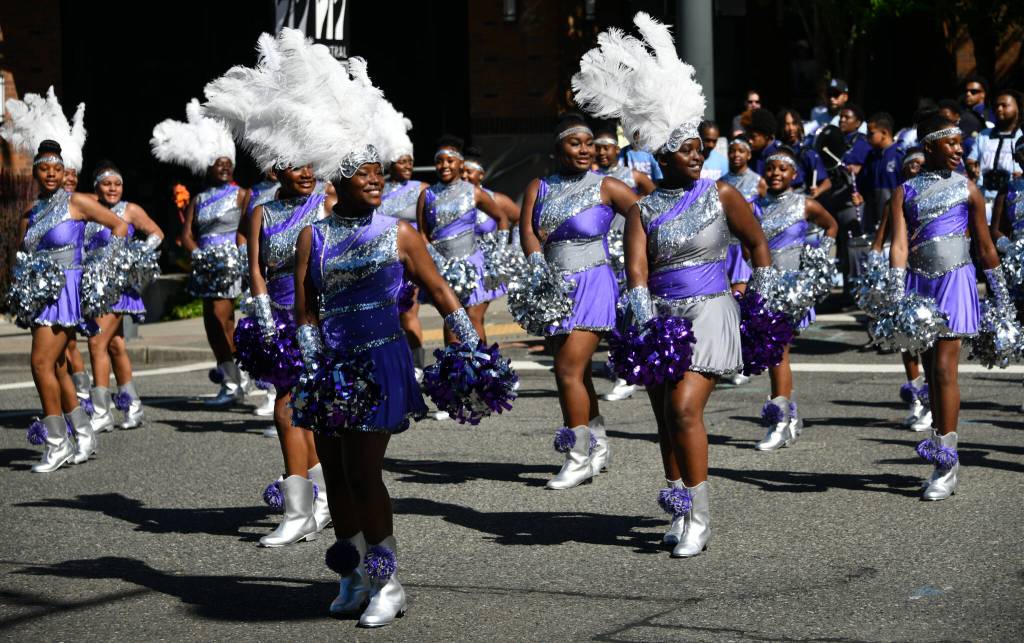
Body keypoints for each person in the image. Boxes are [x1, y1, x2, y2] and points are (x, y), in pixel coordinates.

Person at [573, 12, 776, 557]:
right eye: (685, 148)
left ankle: (702, 514)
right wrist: (639, 312)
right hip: (662, 316)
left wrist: (759, 296)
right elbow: (635, 269)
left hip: (712, 309)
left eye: (699, 147)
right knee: (665, 415)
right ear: (662, 152)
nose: (696, 154)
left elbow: (758, 246)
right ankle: (679, 506)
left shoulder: (722, 195)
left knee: (686, 408)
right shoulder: (643, 207)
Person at [888, 114, 1009, 500]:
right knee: (929, 370)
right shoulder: (904, 191)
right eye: (951, 143)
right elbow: (900, 244)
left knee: (943, 369)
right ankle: (941, 452)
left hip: (956, 280)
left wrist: (1003, 299)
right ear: (929, 145)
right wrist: (894, 288)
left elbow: (986, 247)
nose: (959, 150)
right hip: (919, 283)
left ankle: (947, 461)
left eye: (961, 143)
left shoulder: (969, 189)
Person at [518, 112, 639, 489]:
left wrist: (635, 264)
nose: (585, 150)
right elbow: (526, 231)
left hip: (593, 284)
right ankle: (597, 445)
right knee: (579, 372)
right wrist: (539, 264)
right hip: (554, 289)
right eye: (576, 143)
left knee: (567, 370)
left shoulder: (608, 186)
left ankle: (576, 455)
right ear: (559, 149)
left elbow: (644, 216)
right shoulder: (539, 186)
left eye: (589, 143)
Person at [16, 141, 129, 472]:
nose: (51, 173)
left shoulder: (77, 202)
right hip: (40, 295)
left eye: (56, 168)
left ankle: (56, 442)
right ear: (35, 172)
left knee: (40, 364)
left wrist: (101, 273)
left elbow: (119, 227)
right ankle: (82, 434)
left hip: (66, 295)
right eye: (43, 168)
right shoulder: (32, 212)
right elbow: (23, 256)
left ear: (64, 171)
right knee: (61, 366)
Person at [152, 99, 250, 406]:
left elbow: (246, 230)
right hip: (205, 266)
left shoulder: (242, 194)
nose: (223, 166)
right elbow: (186, 235)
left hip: (230, 265)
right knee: (211, 322)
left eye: (228, 163)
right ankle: (230, 378)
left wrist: (232, 255)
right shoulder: (199, 197)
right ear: (207, 166)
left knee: (224, 321)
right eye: (217, 163)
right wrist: (198, 254)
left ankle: (240, 378)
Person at [752, 148, 838, 451]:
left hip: (790, 289)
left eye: (782, 169)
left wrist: (818, 265)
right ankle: (787, 416)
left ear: (795, 175)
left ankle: (781, 420)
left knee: (777, 352)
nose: (776, 173)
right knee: (771, 353)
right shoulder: (755, 207)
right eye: (771, 168)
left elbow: (831, 226)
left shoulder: (806, 204)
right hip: (762, 285)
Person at [84, 161, 164, 432]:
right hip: (92, 285)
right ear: (96, 186)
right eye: (107, 183)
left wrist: (137, 255)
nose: (113, 188)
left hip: (116, 285)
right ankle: (132, 406)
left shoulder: (130, 209)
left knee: (96, 343)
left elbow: (156, 233)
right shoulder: (89, 210)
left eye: (117, 184)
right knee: (114, 345)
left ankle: (101, 410)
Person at [416, 134, 506, 344]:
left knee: (474, 318)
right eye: (439, 161)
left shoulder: (473, 192)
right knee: (452, 319)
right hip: (443, 267)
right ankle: (454, 371)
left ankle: (484, 369)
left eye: (450, 160)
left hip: (473, 263)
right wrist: (435, 260)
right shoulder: (427, 195)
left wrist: (499, 251)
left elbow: (501, 218)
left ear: (460, 163)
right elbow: (422, 233)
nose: (444, 165)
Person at [867, 147, 932, 431]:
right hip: (900, 270)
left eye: (921, 164)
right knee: (906, 338)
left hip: (925, 273)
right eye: (912, 165)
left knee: (928, 335)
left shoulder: (930, 197)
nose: (916, 168)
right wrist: (874, 255)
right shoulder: (898, 197)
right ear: (904, 169)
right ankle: (916, 395)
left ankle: (931, 400)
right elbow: (883, 234)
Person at [593, 127, 655, 402]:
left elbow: (655, 204)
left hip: (629, 249)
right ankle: (624, 366)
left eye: (607, 147)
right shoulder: (592, 179)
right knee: (611, 314)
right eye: (599, 147)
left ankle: (627, 375)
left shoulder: (633, 176)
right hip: (603, 253)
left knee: (630, 310)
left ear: (618, 150)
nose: (602, 151)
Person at [377, 144, 429, 378]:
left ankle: (417, 364)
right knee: (387, 315)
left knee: (409, 313)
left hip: (410, 258)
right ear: (390, 164)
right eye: (402, 161)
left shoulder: (422, 189)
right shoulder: (378, 188)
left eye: (410, 161)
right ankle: (396, 362)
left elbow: (429, 226)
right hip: (383, 259)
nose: (408, 165)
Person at [966, 90, 1022, 211]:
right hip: (983, 200)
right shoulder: (983, 135)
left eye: (1004, 105)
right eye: (996, 106)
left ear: (1018, 108)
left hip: (1013, 202)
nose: (999, 109)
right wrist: (971, 166)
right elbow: (971, 159)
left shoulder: (1022, 138)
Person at [860, 112, 904, 234]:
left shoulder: (899, 156)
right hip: (872, 217)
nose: (867, 136)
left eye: (871, 133)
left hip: (894, 217)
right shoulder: (871, 156)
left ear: (884, 133)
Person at [775, 108, 831, 198]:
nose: (791, 128)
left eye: (794, 124)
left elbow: (827, 182)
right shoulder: (775, 151)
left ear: (799, 126)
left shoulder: (808, 153)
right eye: (787, 124)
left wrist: (817, 191)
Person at [592, 126, 656, 195]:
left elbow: (656, 198)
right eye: (597, 149)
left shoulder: (635, 176)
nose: (601, 152)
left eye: (606, 148)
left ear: (617, 150)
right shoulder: (590, 176)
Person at [959, 74, 994, 138]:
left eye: (973, 91)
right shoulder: (960, 113)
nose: (968, 94)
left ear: (983, 94)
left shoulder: (993, 114)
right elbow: (946, 132)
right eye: (966, 91)